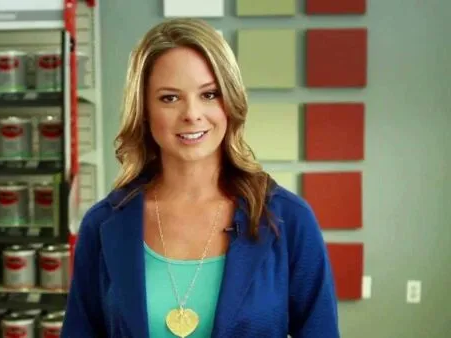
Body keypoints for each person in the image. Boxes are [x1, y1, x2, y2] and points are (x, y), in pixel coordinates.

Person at [61, 18, 340, 338]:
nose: (192, 114)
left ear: (230, 102)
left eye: (209, 94)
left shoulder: (288, 220)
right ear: (145, 110)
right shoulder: (102, 225)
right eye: (169, 97)